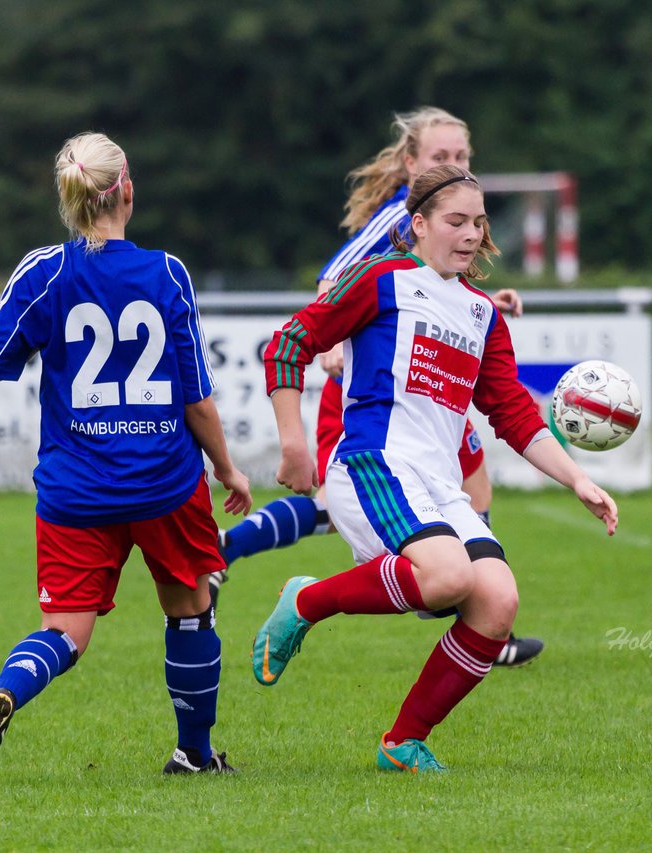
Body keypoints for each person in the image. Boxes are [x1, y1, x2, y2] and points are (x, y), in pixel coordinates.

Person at [252, 164, 618, 773]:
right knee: (448, 578)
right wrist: (294, 445)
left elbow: (515, 418)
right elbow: (290, 343)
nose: (471, 233)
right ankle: (308, 601)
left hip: (438, 484)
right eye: (456, 221)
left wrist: (578, 479)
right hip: (373, 463)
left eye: (478, 222)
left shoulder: (482, 315)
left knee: (497, 602)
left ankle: (403, 742)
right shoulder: (381, 281)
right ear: (417, 225)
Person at [0, 132, 252, 785]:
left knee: (65, 632)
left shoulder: (46, 271)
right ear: (127, 191)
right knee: (190, 607)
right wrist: (227, 469)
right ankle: (194, 753)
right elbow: (197, 399)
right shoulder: (167, 273)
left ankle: (3, 697)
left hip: (75, 491)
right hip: (164, 483)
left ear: (72, 197)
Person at [213, 107, 544, 667]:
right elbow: (333, 281)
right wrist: (338, 345)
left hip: (430, 381)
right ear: (410, 163)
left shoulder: (453, 221)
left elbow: (439, 287)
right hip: (380, 387)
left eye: (462, 157)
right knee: (335, 501)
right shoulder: (399, 216)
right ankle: (236, 554)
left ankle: (469, 594)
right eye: (442, 157)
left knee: (459, 481)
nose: (456, 164)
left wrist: (484, 303)